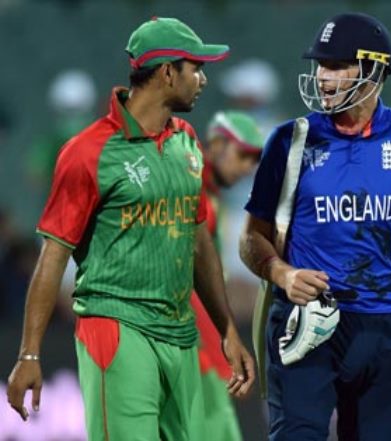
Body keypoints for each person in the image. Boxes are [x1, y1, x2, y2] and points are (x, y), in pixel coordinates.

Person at [6, 17, 254, 440]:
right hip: (116, 329)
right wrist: (29, 353)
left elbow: (199, 244)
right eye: (196, 68)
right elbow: (53, 257)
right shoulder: (87, 153)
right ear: (167, 72)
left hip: (180, 335)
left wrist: (226, 329)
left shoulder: (187, 142)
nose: (203, 80)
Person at [239, 12, 391, 440]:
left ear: (372, 69)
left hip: (387, 328)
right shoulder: (289, 140)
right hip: (307, 322)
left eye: (335, 65)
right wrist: (284, 273)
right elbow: (250, 238)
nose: (321, 76)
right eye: (319, 65)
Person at [191, 110, 264, 441]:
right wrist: (224, 340)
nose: (248, 167)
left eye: (254, 160)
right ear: (217, 144)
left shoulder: (212, 196)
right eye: (243, 155)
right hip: (191, 341)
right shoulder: (191, 187)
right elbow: (191, 280)